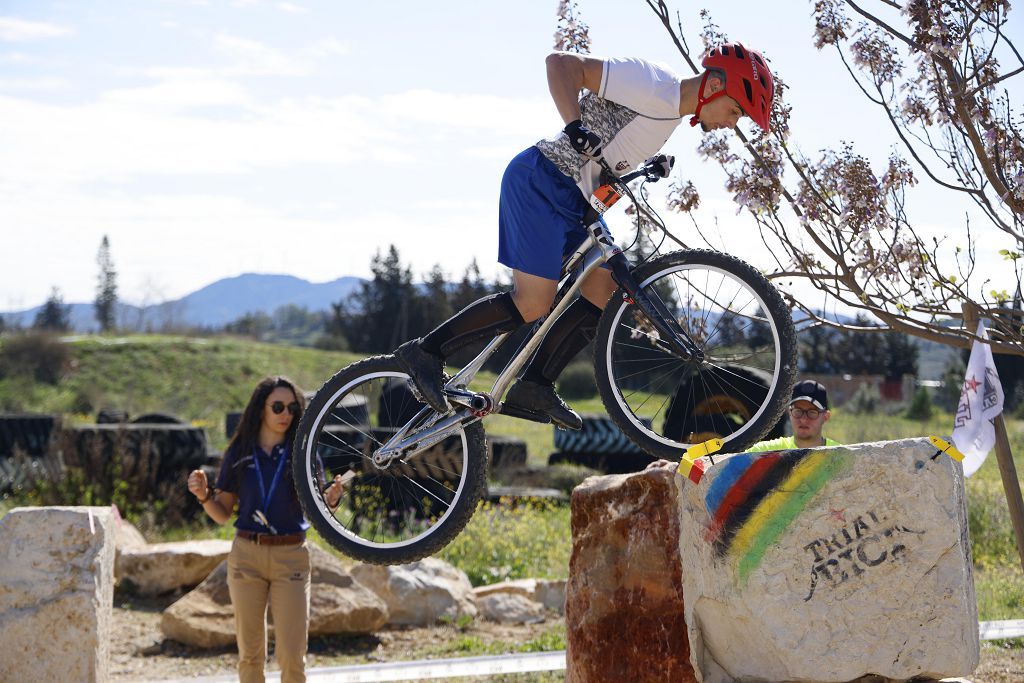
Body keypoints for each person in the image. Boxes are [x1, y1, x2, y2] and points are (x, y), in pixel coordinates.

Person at [394, 43, 776, 430]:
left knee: (606, 289)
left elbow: (611, 139)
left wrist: (645, 166)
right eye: (736, 111)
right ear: (715, 85)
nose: (733, 123)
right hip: (542, 181)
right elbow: (562, 64)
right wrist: (574, 126)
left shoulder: (669, 115)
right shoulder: (652, 82)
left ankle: (534, 386)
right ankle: (426, 353)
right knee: (533, 303)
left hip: (579, 202)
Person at [186, 376, 345, 683]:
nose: (286, 414)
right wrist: (204, 495)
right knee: (250, 656)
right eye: (278, 407)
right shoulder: (239, 452)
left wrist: (332, 499)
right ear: (261, 408)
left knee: (292, 657)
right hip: (246, 557)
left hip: (292, 557)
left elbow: (320, 507)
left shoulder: (303, 453)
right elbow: (222, 514)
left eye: (292, 408)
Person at [747, 379, 839, 451]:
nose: (803, 419)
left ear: (826, 417)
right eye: (798, 411)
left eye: (812, 412)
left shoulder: (840, 455)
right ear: (789, 412)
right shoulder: (768, 451)